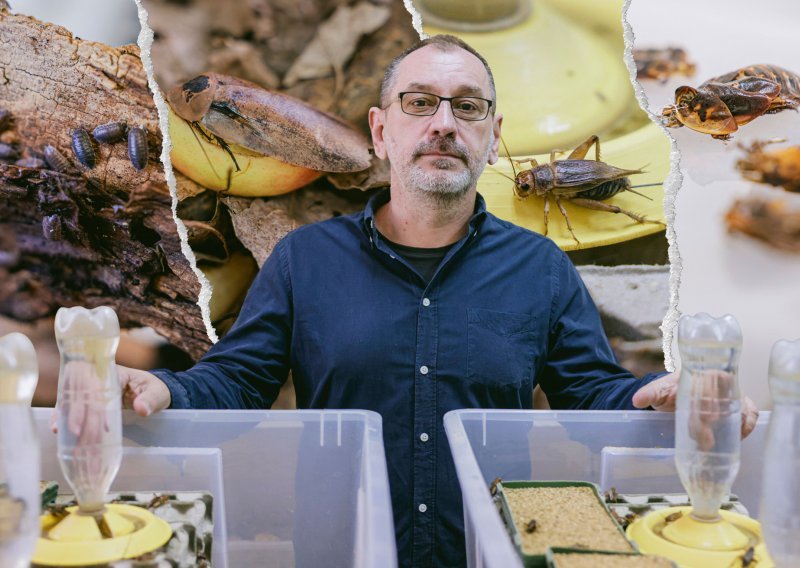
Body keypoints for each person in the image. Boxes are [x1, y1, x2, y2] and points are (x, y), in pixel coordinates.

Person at [118, 35, 758, 568]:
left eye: (469, 108)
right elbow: (238, 380)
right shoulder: (304, 259)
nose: (444, 124)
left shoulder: (541, 266)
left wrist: (652, 396)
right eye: (419, 103)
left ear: (493, 133)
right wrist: (160, 391)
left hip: (487, 547)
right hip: (341, 545)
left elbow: (589, 394)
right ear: (380, 128)